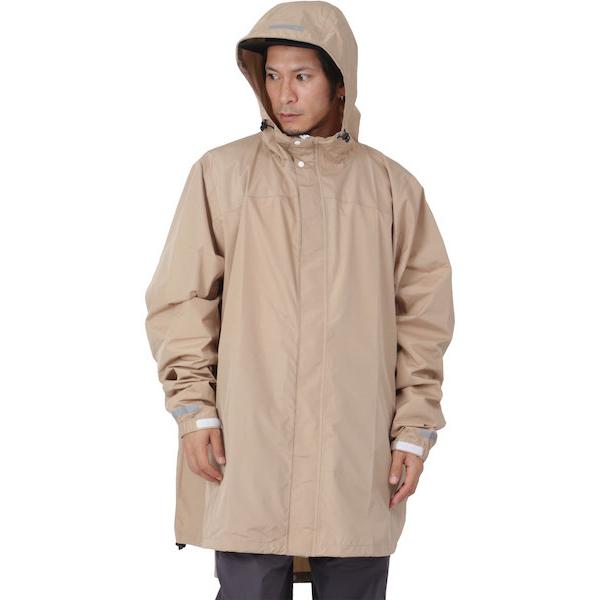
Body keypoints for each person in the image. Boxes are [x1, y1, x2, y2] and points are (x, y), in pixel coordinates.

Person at [144, 2, 455, 599]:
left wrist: (414, 428)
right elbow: (182, 300)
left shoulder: (391, 187)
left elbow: (423, 320)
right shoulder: (221, 174)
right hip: (247, 447)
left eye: (302, 76)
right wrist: (194, 409)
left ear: (339, 83)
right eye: (272, 75)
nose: (284, 94)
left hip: (354, 451)